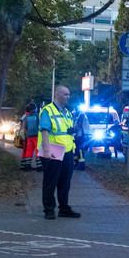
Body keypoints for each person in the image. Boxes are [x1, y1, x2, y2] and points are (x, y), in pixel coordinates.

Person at [39, 86, 80, 220]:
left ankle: (64, 208)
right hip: (53, 151)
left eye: (69, 94)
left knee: (65, 182)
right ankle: (49, 209)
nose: (68, 97)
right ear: (57, 94)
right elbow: (44, 131)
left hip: (67, 151)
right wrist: (46, 151)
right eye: (65, 94)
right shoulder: (47, 111)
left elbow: (66, 131)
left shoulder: (67, 112)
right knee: (50, 182)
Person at [19, 103, 40, 171]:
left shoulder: (27, 117)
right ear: (34, 109)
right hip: (36, 136)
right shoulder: (37, 115)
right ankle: (39, 166)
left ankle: (27, 165)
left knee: (29, 151)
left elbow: (24, 127)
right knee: (38, 150)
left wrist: (24, 135)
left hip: (29, 136)